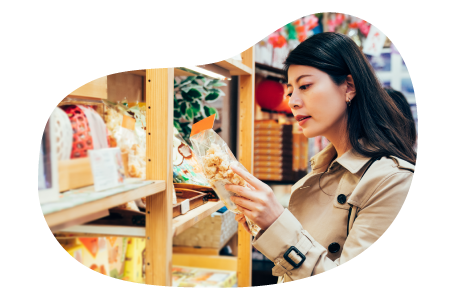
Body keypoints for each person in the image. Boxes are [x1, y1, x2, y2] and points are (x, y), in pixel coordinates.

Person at [225, 32, 416, 288]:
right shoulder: (323, 171)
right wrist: (267, 227)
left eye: (305, 86)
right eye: (290, 90)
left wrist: (277, 224)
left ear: (349, 86)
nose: (292, 101)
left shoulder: (394, 180)